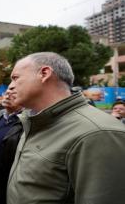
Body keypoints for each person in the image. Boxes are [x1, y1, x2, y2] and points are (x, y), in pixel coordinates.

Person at [7, 52, 125, 204]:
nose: (10, 86)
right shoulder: (34, 121)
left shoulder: (98, 133)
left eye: (15, 78)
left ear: (44, 73)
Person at [0, 89, 23, 204]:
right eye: (6, 94)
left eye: (13, 94)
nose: (7, 96)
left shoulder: (25, 120)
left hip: (11, 176)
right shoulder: (1, 117)